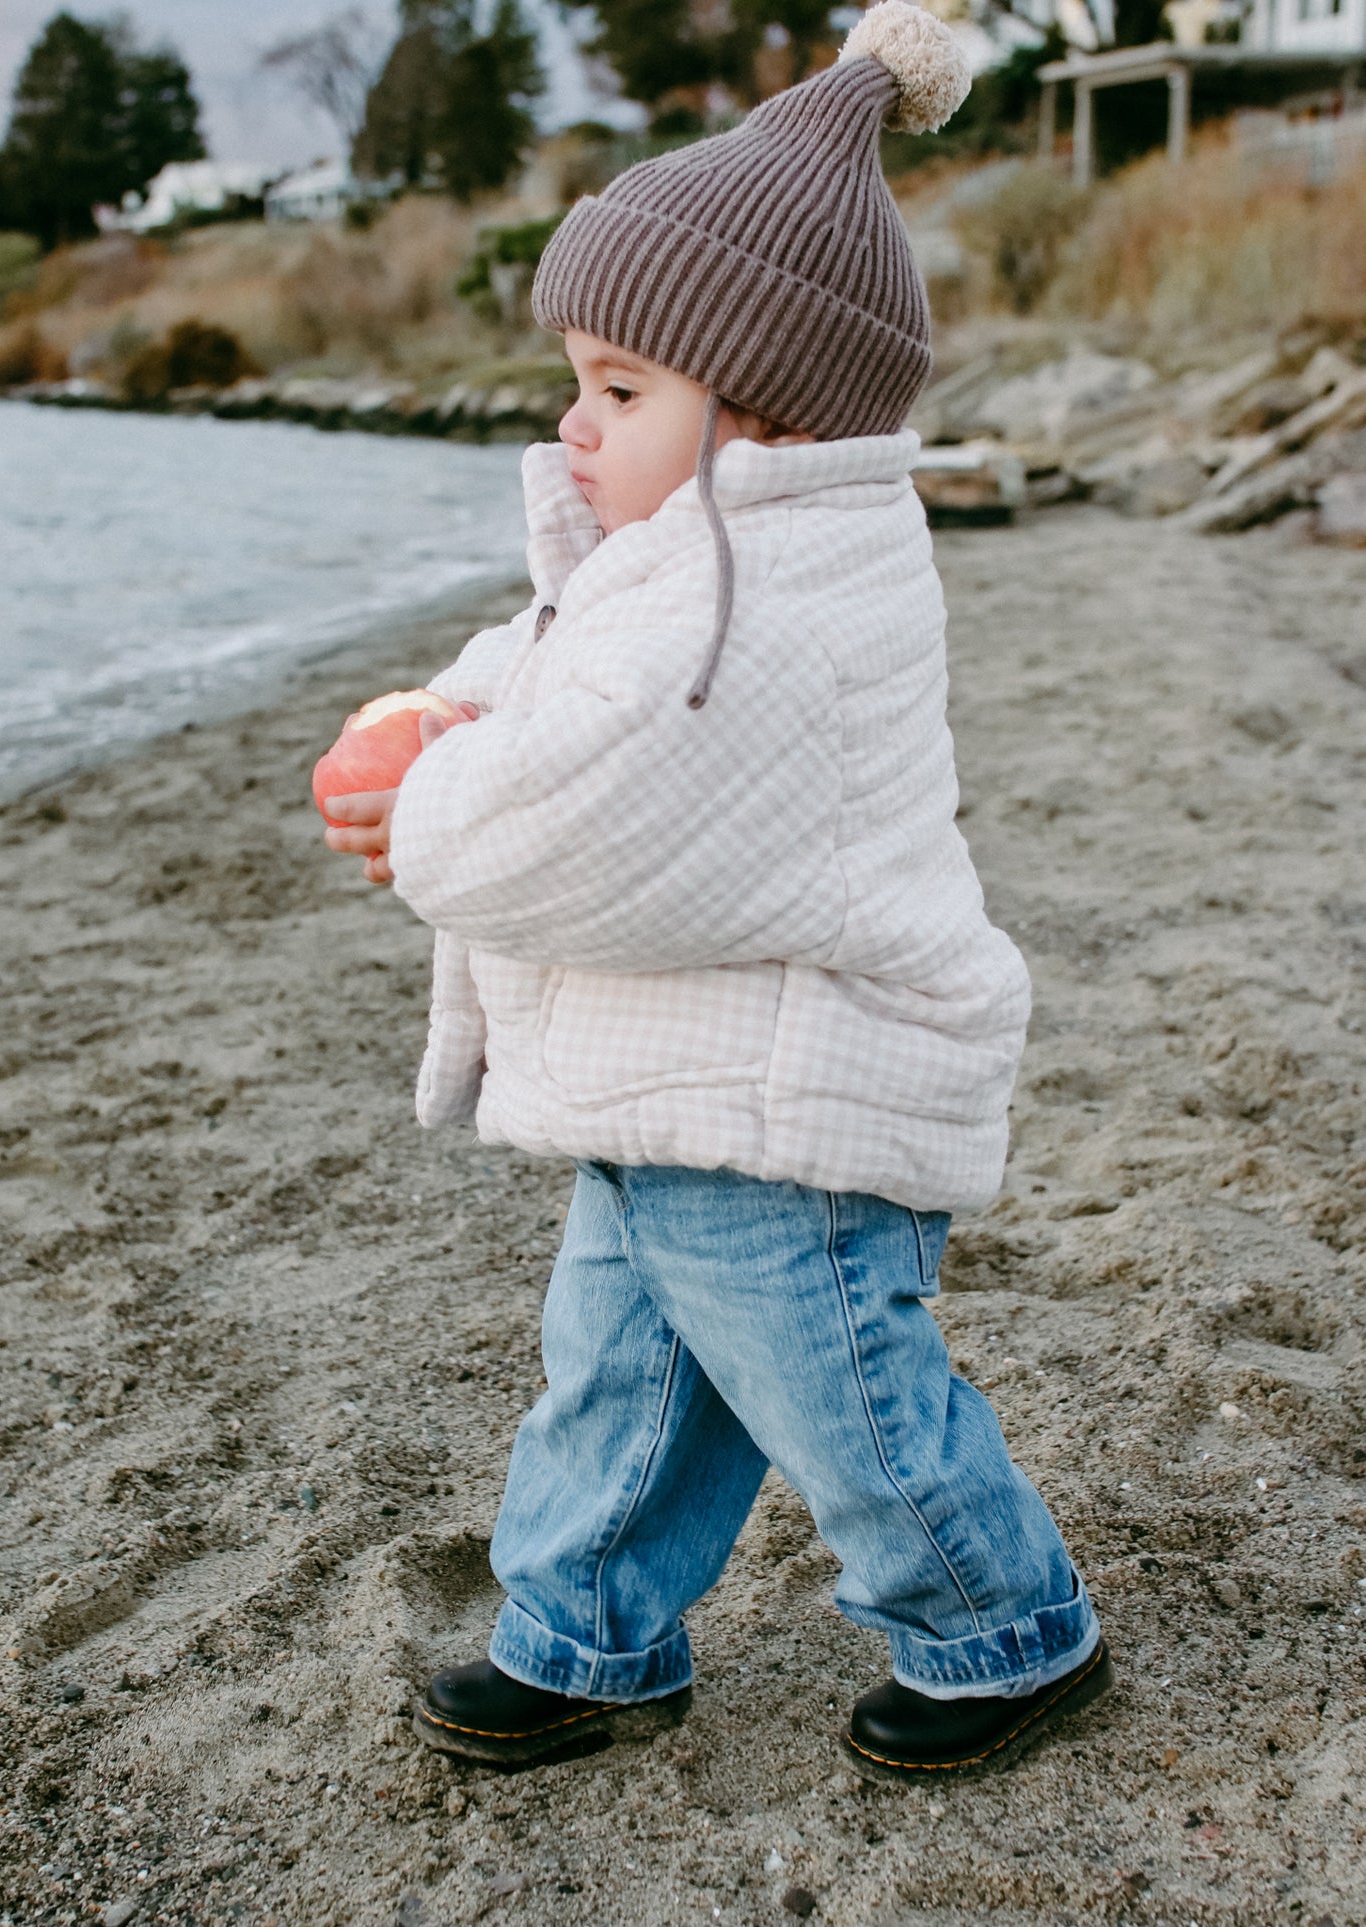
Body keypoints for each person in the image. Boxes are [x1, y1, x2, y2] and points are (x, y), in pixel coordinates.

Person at [323, 0, 1112, 1778]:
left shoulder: (761, 611)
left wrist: (424, 805)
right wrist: (455, 705)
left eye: (619, 392)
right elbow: (559, 659)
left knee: (839, 1391)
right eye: (578, 380)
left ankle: (1003, 1628)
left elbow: (589, 813)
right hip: (678, 1075)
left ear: (757, 411)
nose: (573, 426)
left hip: (791, 1087)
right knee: (621, 1373)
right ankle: (582, 1632)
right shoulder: (690, 555)